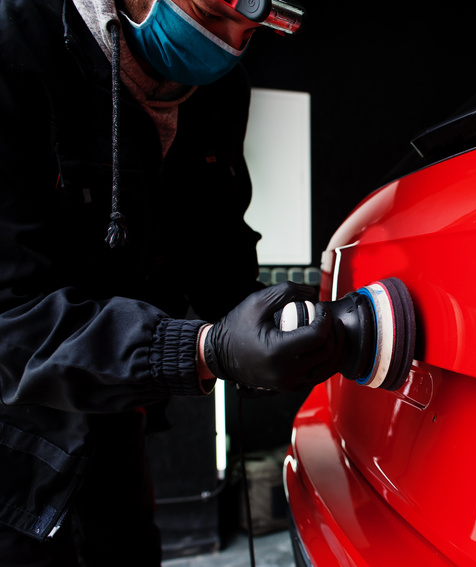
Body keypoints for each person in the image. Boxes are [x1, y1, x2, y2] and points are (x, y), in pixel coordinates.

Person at [0, 0, 343, 564]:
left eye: (248, 33)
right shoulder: (16, 50)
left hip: (110, 420)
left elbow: (213, 243)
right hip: (13, 442)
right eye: (211, 17)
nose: (228, 46)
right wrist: (206, 350)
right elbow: (10, 320)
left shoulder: (221, 94)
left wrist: (266, 314)